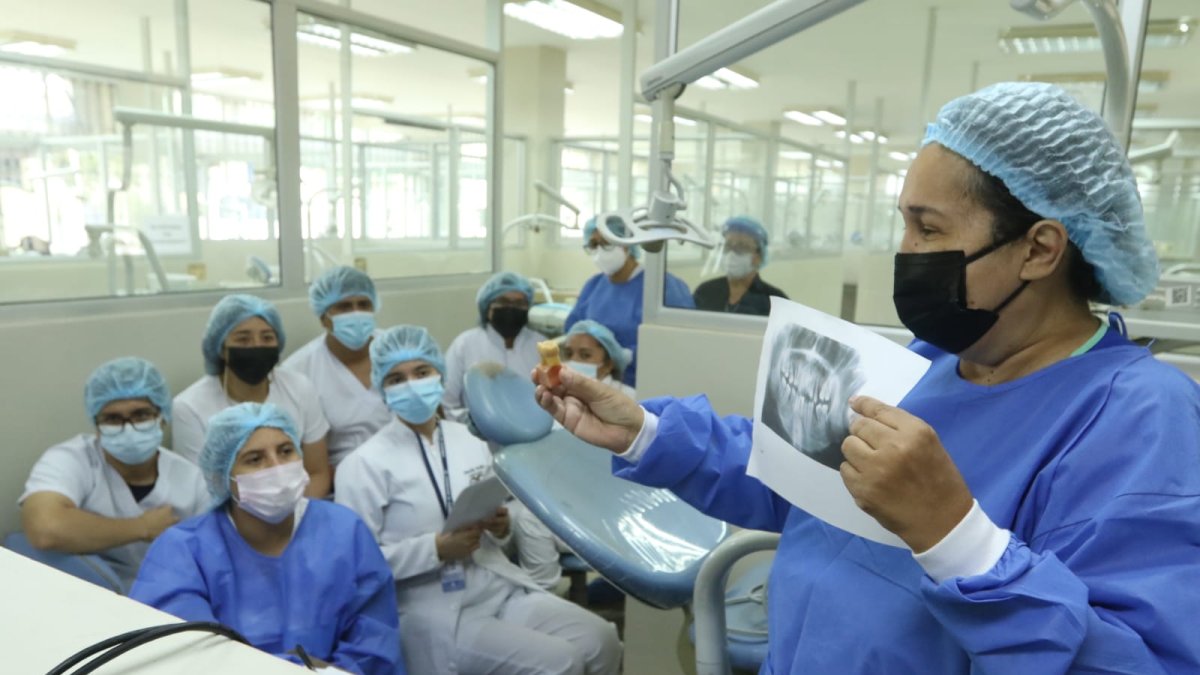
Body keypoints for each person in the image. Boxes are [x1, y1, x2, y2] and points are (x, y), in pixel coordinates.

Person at [535, 82, 1200, 673]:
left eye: (928, 227)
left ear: (1039, 248)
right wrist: (645, 431)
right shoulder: (934, 359)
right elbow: (796, 470)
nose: (905, 251)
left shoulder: (1138, 418)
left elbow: (1134, 658)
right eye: (903, 222)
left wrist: (958, 538)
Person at [335, 326, 621, 675]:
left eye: (421, 372)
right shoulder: (363, 465)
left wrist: (502, 525)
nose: (411, 384)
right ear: (382, 387)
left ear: (439, 374)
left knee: (601, 640)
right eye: (396, 378)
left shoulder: (470, 439)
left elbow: (499, 516)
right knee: (560, 661)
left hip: (493, 582)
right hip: (429, 605)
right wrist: (436, 549)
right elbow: (358, 567)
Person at [130, 403, 403, 675]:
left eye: (285, 452)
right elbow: (187, 653)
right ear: (223, 474)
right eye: (254, 459)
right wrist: (302, 669)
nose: (275, 467)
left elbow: (375, 641)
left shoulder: (345, 531)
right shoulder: (183, 553)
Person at [19, 357, 207, 591]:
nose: (128, 428)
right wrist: (142, 527)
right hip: (89, 593)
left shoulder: (192, 480)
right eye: (113, 419)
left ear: (162, 418)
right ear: (96, 425)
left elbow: (210, 557)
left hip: (172, 596)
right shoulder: (72, 459)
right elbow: (45, 528)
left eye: (141, 415)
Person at [173, 294, 332, 497]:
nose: (256, 346)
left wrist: (295, 515)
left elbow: (318, 473)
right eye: (243, 339)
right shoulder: (189, 407)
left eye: (267, 337)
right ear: (221, 347)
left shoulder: (299, 388)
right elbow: (202, 493)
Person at [565, 215, 695, 387]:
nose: (600, 250)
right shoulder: (594, 286)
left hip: (650, 384)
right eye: (594, 244)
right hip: (599, 384)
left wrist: (629, 355)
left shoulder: (663, 287)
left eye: (607, 242)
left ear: (627, 243)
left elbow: (679, 341)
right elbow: (573, 329)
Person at [283, 266, 392, 469]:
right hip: (338, 478)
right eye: (344, 307)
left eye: (363, 304)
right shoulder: (298, 370)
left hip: (408, 466)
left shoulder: (398, 349)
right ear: (323, 317)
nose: (356, 313)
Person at [442, 272, 547, 423]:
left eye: (519, 303)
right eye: (503, 301)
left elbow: (553, 397)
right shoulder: (464, 345)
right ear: (487, 307)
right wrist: (474, 424)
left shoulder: (540, 345)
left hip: (536, 436)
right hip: (480, 440)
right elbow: (447, 403)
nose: (511, 308)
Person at [692, 216, 788, 315]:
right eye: (728, 246)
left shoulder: (776, 302)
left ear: (759, 256)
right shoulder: (706, 292)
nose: (732, 253)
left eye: (741, 247)